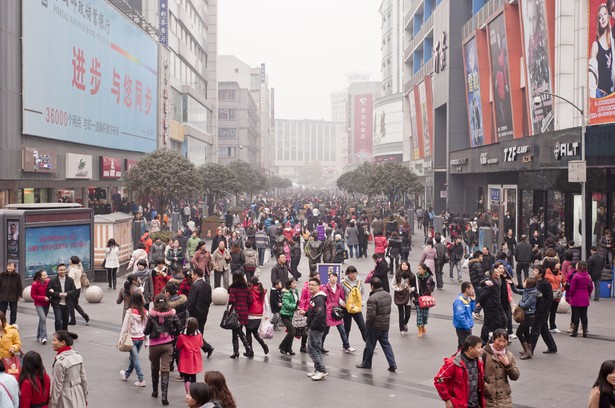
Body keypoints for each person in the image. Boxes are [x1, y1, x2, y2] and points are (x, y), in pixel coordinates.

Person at [144, 294, 182, 406]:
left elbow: (146, 331)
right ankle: (164, 396)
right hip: (167, 345)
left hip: (154, 345)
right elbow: (179, 327)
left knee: (154, 367)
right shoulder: (172, 313)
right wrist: (171, 333)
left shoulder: (151, 315)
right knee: (165, 369)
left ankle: (155, 391)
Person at [355, 277, 397, 372]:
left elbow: (371, 315)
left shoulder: (372, 298)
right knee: (386, 344)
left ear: (372, 286)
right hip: (385, 324)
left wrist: (367, 325)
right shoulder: (388, 295)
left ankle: (366, 363)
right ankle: (392, 363)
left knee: (370, 345)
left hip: (375, 326)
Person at [434, 335, 485, 408]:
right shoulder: (454, 362)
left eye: (481, 347)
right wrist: (447, 399)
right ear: (470, 348)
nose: (481, 350)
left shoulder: (479, 361)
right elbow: (439, 380)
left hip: (476, 404)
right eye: (479, 347)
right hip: (460, 404)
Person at [482, 329, 520, 407]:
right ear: (493, 339)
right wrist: (485, 386)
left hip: (505, 398)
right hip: (488, 397)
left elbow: (515, 376)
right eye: (499, 340)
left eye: (504, 341)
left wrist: (507, 365)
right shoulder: (484, 353)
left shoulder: (509, 355)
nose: (502, 344)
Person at [50, 331, 87, 408]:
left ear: (62, 342)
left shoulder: (60, 362)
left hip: (65, 397)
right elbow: (84, 379)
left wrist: (52, 404)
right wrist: (85, 397)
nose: (52, 343)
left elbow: (57, 387)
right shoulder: (78, 356)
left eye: (54, 340)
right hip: (79, 394)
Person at [119, 292, 148, 387]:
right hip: (141, 338)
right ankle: (126, 375)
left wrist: (120, 339)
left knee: (135, 360)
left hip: (131, 339)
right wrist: (146, 340)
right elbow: (146, 327)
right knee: (133, 358)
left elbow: (124, 327)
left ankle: (141, 379)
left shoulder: (130, 312)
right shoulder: (145, 312)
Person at [321, 271, 354, 353]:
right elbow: (322, 300)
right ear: (329, 278)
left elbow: (342, 297)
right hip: (328, 312)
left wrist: (343, 303)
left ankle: (347, 346)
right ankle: (320, 345)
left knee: (342, 330)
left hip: (337, 311)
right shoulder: (325, 288)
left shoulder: (339, 287)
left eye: (335, 277)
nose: (333, 279)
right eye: (331, 277)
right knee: (325, 331)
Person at [185, 268, 214, 358]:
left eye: (193, 275)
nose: (192, 277)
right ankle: (202, 348)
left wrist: (187, 312)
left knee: (194, 332)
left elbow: (191, 301)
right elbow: (209, 300)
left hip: (195, 313)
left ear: (196, 275)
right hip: (204, 312)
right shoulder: (207, 285)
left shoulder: (195, 286)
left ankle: (206, 347)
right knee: (199, 331)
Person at [529, 265, 558, 355]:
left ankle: (530, 350)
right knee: (544, 329)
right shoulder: (535, 282)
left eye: (536, 271)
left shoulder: (545, 284)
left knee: (535, 330)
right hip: (535, 309)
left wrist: (543, 308)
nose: (533, 272)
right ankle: (552, 347)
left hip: (541, 311)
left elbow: (550, 298)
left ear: (541, 274)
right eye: (533, 270)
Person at [510, 277, 541, 360]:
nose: (523, 283)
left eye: (524, 282)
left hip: (529, 315)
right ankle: (529, 350)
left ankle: (527, 351)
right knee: (526, 333)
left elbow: (526, 305)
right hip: (526, 315)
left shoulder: (532, 294)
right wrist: (511, 284)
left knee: (519, 333)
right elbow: (516, 291)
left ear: (528, 284)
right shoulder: (527, 291)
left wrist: (519, 303)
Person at [589, 3, 615, 98]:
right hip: (599, 94)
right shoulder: (596, 45)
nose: (603, 18)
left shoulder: (612, 43)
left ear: (608, 16)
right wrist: (592, 98)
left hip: (611, 96)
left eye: (604, 14)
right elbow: (591, 75)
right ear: (598, 21)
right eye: (600, 17)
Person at [305, 276, 328, 381]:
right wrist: (305, 313)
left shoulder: (319, 299)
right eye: (309, 285)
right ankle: (318, 369)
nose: (310, 287)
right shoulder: (315, 297)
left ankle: (321, 370)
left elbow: (319, 314)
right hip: (316, 327)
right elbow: (313, 312)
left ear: (318, 286)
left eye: (313, 285)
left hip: (317, 328)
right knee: (316, 348)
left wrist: (311, 326)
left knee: (311, 349)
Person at [479, 263, 507, 345]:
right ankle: (484, 340)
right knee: (487, 324)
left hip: (498, 304)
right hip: (491, 306)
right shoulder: (491, 283)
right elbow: (483, 294)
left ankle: (495, 337)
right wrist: (481, 303)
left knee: (502, 321)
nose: (499, 272)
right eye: (498, 271)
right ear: (494, 275)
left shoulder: (500, 279)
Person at [227, 273, 253, 359]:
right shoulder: (247, 288)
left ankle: (239, 350)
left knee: (236, 331)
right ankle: (244, 349)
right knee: (238, 330)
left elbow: (232, 300)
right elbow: (250, 300)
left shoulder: (233, 289)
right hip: (244, 310)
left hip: (236, 311)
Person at [176, 317, 203, 396]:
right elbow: (201, 344)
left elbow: (178, 346)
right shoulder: (199, 335)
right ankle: (194, 393)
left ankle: (188, 392)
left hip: (186, 357)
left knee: (186, 376)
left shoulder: (182, 335)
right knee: (193, 376)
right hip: (195, 357)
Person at [341, 266, 367, 341]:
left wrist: (363, 301)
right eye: (351, 273)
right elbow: (339, 294)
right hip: (347, 308)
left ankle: (368, 343)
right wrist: (342, 303)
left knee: (362, 326)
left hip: (357, 307)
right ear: (348, 274)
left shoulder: (360, 281)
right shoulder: (343, 283)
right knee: (347, 327)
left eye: (354, 273)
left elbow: (363, 292)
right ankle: (346, 344)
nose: (353, 275)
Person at [47, 264, 76, 332]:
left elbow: (73, 290)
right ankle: (58, 334)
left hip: (67, 303)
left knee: (65, 320)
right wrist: (58, 294)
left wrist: (67, 293)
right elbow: (49, 291)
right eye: (60, 270)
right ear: (57, 271)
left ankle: (65, 334)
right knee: (58, 319)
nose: (62, 271)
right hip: (57, 303)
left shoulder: (70, 280)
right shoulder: (53, 280)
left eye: (64, 270)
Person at [568, 260, 593, 338]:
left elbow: (572, 288)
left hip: (576, 297)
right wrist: (588, 293)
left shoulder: (576, 276)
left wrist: (570, 295)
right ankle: (584, 331)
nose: (575, 266)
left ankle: (574, 331)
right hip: (585, 297)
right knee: (584, 315)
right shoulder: (588, 276)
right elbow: (591, 287)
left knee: (576, 315)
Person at [245, 277, 270, 356]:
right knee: (255, 332)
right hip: (259, 315)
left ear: (251, 283)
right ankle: (263, 345)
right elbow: (266, 304)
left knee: (248, 333)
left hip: (250, 314)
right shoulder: (262, 291)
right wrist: (267, 314)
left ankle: (250, 351)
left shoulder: (250, 291)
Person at [392, 261, 416, 335]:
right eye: (403, 265)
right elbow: (392, 284)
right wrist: (397, 289)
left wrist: (411, 289)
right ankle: (401, 328)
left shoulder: (411, 276)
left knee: (408, 314)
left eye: (406, 265)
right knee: (401, 313)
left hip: (408, 296)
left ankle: (405, 323)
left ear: (408, 266)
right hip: (399, 295)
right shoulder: (397, 275)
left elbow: (415, 286)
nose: (404, 266)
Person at [67, 256, 89, 326]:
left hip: (72, 289)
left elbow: (70, 280)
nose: (69, 260)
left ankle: (73, 320)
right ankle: (84, 315)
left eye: (70, 260)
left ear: (72, 261)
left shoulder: (73, 269)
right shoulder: (80, 268)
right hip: (78, 288)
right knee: (75, 304)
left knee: (70, 305)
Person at [278, 278, 299, 355]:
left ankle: (289, 348)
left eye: (295, 283)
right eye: (293, 283)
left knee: (293, 332)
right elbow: (286, 305)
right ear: (289, 284)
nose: (295, 284)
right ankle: (282, 346)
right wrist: (295, 306)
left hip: (292, 314)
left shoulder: (295, 291)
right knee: (292, 331)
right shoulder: (286, 293)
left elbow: (297, 301)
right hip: (285, 314)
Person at [414, 263, 436, 338]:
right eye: (418, 269)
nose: (418, 270)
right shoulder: (416, 277)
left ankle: (423, 325)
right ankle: (419, 329)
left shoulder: (429, 278)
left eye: (420, 269)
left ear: (424, 270)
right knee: (419, 314)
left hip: (426, 299)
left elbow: (433, 285)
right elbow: (413, 286)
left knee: (425, 315)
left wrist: (430, 289)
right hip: (418, 298)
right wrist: (414, 293)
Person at [453, 282, 476, 349]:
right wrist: (467, 327)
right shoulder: (459, 301)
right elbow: (460, 316)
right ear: (467, 290)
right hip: (463, 329)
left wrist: (473, 301)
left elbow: (470, 311)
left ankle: (457, 358)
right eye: (472, 288)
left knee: (462, 348)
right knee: (466, 349)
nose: (473, 290)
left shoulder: (466, 300)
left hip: (466, 328)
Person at [544, 259, 564, 333]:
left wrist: (562, 290)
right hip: (548, 296)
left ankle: (553, 326)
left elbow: (564, 282)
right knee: (546, 311)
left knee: (553, 311)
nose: (559, 264)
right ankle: (544, 326)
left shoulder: (560, 273)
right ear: (553, 265)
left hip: (557, 296)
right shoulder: (546, 273)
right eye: (558, 263)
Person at [31, 270, 51, 345]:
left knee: (42, 319)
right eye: (44, 275)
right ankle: (44, 337)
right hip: (38, 304)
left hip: (47, 303)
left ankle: (39, 335)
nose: (46, 277)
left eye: (46, 275)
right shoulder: (35, 284)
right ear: (39, 277)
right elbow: (33, 295)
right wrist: (43, 298)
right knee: (43, 318)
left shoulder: (48, 281)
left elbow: (51, 289)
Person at [0, 262, 22, 327]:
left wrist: (19, 295)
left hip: (13, 296)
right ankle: (2, 323)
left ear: (14, 268)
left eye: (11, 266)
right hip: (3, 295)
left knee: (13, 311)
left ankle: (12, 323)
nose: (10, 268)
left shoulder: (17, 275)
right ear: (7, 267)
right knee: (2, 311)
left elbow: (19, 286)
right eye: (8, 266)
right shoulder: (2, 275)